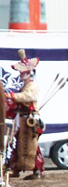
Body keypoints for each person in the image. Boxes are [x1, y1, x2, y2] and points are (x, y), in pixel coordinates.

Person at [5, 50, 44, 179]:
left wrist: (12, 96)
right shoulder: (26, 85)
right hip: (22, 119)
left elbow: (27, 97)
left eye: (23, 72)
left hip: (30, 119)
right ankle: (16, 168)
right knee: (18, 143)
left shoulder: (32, 86)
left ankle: (37, 170)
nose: (21, 75)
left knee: (32, 145)